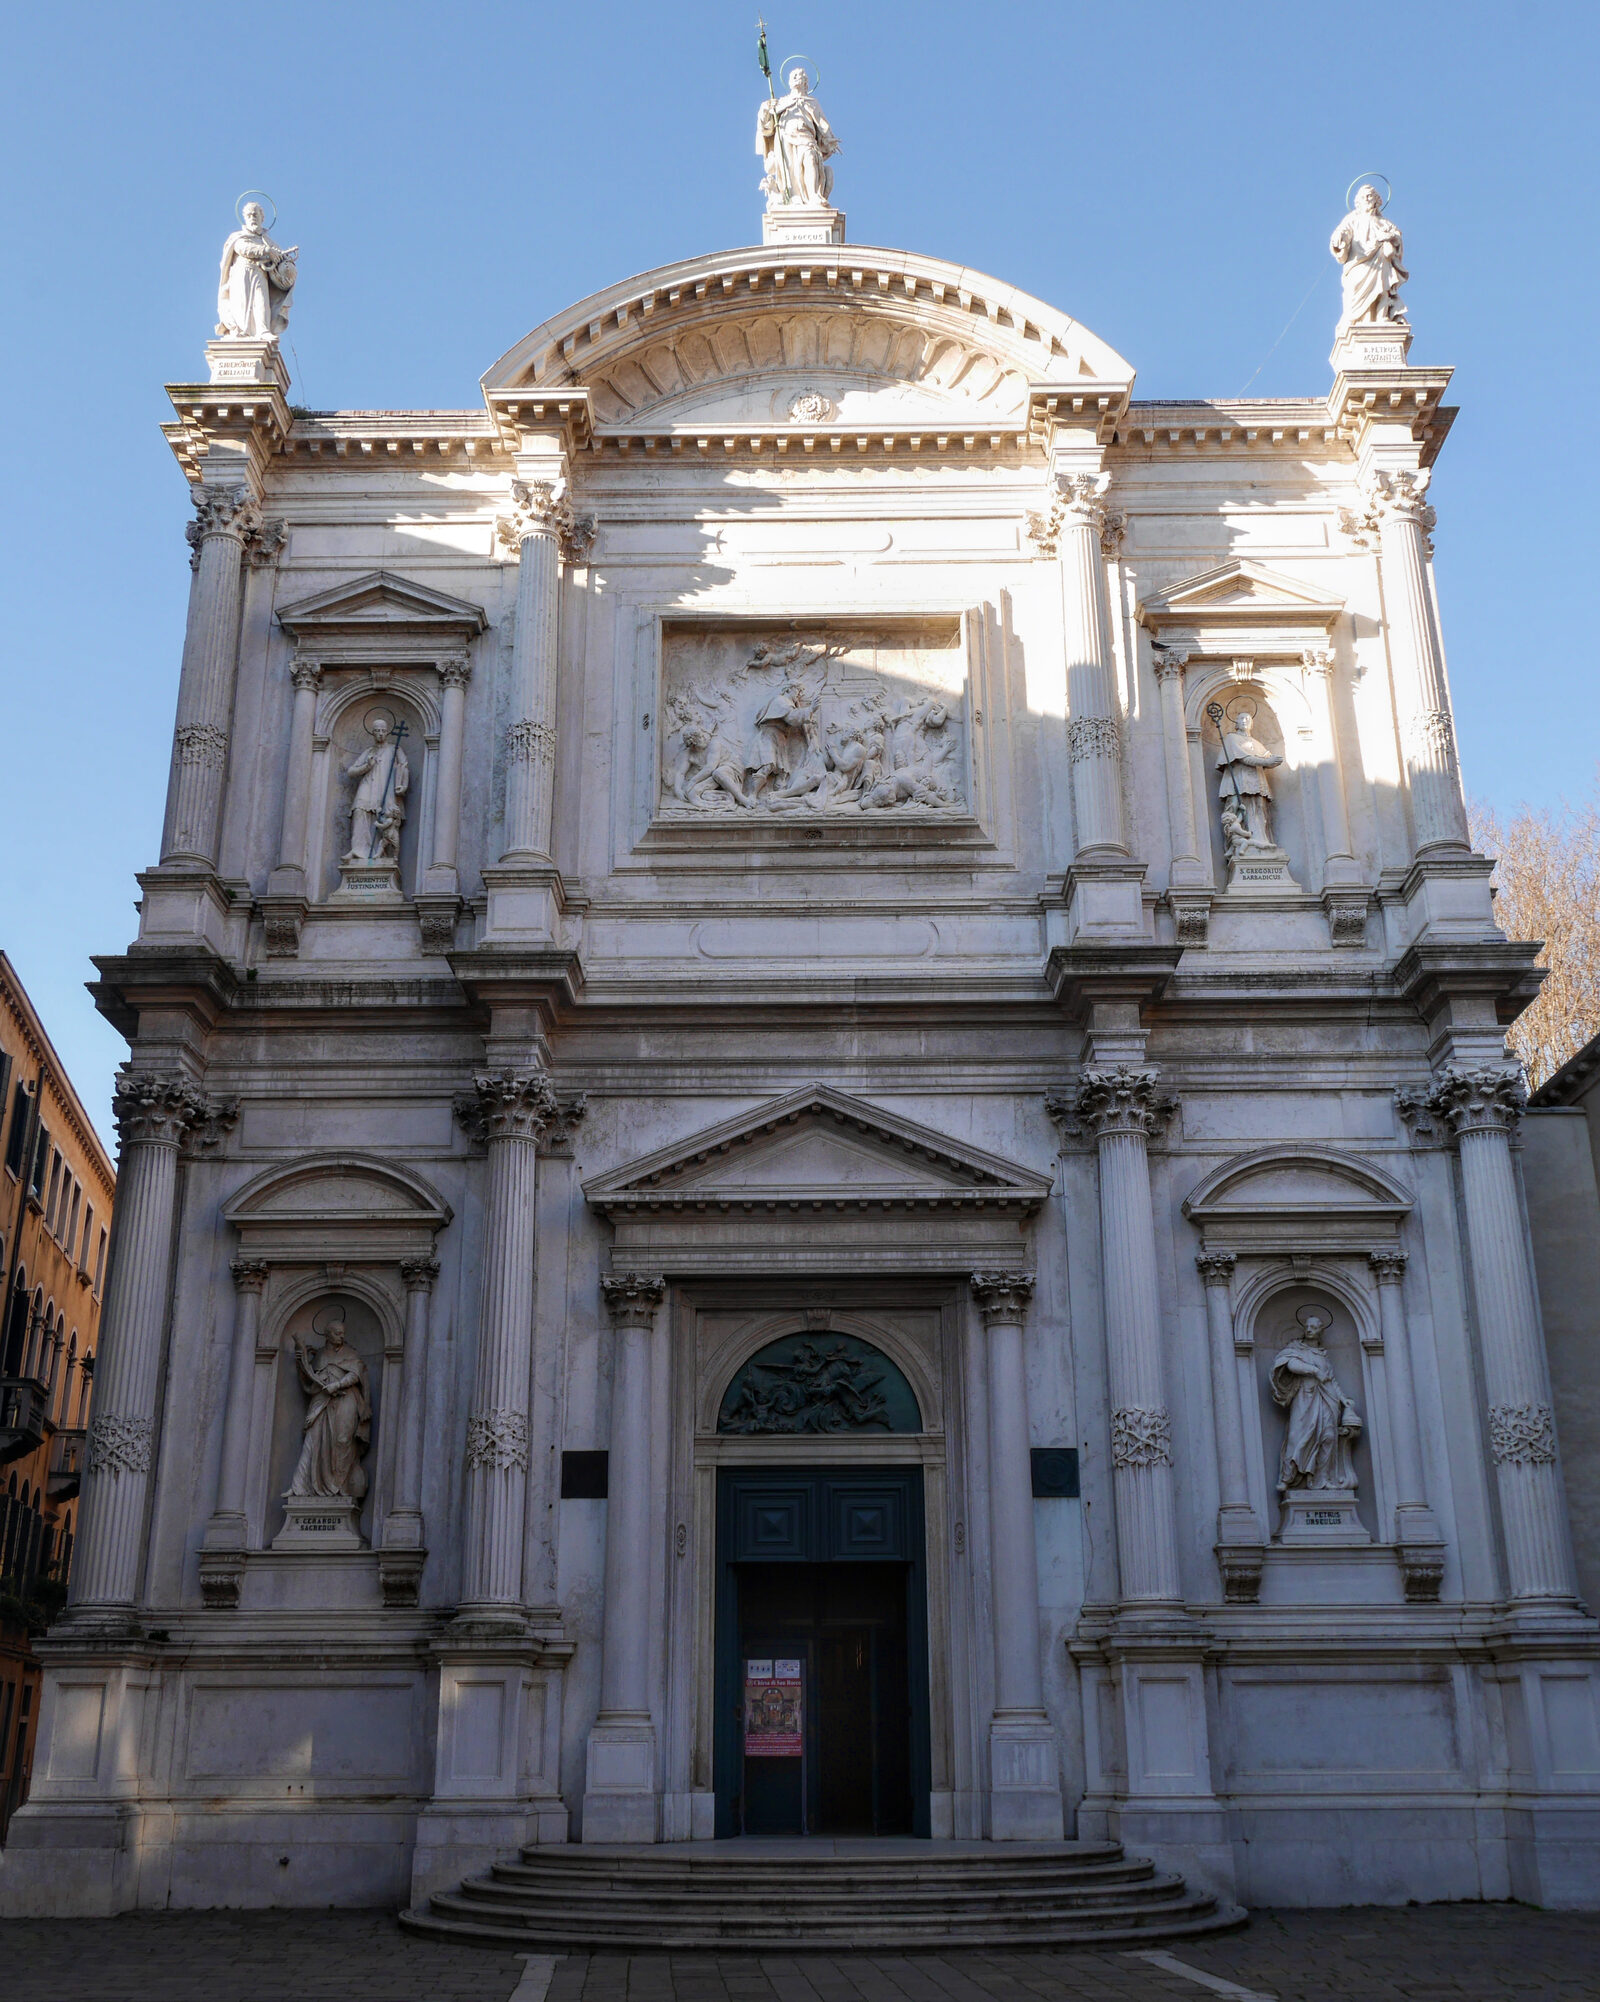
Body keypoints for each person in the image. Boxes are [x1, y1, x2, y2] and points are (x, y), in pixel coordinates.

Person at [1270, 1307, 1362, 1495]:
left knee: (1327, 1438)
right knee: (1297, 1438)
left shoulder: (1323, 1355)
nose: (1309, 1329)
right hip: (1305, 1398)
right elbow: (1290, 1364)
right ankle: (1287, 1478)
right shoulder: (1296, 1348)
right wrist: (1312, 1370)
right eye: (1307, 1326)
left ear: (1321, 1330)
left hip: (1326, 1399)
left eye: (1314, 1327)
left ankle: (1321, 1480)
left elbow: (1330, 1380)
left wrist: (1344, 1399)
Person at [286, 1311, 371, 1502]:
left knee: (342, 1440)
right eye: (337, 1333)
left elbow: (356, 1374)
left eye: (342, 1333)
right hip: (322, 1401)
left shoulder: (351, 1353)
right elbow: (311, 1382)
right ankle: (313, 1488)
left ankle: (340, 1488)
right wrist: (303, 1363)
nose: (341, 1336)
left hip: (346, 1399)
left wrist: (337, 1384)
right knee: (316, 1441)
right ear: (327, 1334)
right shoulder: (320, 1355)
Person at [1330, 185, 1408, 336]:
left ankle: (1382, 317)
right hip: (1358, 262)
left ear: (1377, 200)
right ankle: (1360, 319)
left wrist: (1391, 237)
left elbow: (1397, 236)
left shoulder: (1384, 223)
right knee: (1354, 289)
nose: (1366, 198)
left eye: (1370, 195)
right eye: (1363, 196)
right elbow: (1342, 233)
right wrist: (1338, 239)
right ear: (1357, 201)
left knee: (1383, 288)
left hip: (1380, 260)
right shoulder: (1352, 219)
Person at [756, 68, 840, 209]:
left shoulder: (812, 102)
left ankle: (813, 195)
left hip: (806, 137)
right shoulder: (781, 102)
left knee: (810, 159)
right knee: (789, 168)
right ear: (789, 82)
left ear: (805, 82)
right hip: (785, 138)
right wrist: (765, 110)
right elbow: (767, 126)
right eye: (794, 75)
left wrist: (829, 139)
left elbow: (822, 124)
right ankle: (794, 197)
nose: (797, 77)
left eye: (800, 75)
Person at [216, 203, 298, 341]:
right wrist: (266, 251)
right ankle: (241, 331)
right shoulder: (238, 237)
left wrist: (285, 263)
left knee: (261, 300)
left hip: (260, 274)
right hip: (242, 273)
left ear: (262, 217)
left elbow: (279, 258)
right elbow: (243, 248)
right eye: (249, 215)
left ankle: (262, 330)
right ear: (244, 218)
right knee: (242, 302)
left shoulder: (267, 241)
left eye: (255, 214)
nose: (252, 218)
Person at [343, 714, 409, 863]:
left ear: (387, 732)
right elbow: (351, 771)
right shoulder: (369, 752)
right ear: (372, 732)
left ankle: (382, 854)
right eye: (377, 730)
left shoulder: (394, 749)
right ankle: (358, 851)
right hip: (368, 785)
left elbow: (403, 766)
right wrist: (367, 766)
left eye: (383, 730)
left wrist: (402, 785)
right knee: (359, 811)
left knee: (385, 817)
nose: (380, 733)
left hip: (387, 787)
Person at [1215, 704, 1282, 851]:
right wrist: (1266, 762)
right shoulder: (1232, 739)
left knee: (1259, 808)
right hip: (1238, 780)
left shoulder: (1256, 743)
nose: (1245, 720)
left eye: (1248, 718)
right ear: (1236, 723)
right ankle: (1236, 846)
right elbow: (1245, 759)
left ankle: (1261, 841)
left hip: (1257, 782)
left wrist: (1273, 760)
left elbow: (1266, 756)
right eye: (1241, 718)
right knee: (1237, 808)